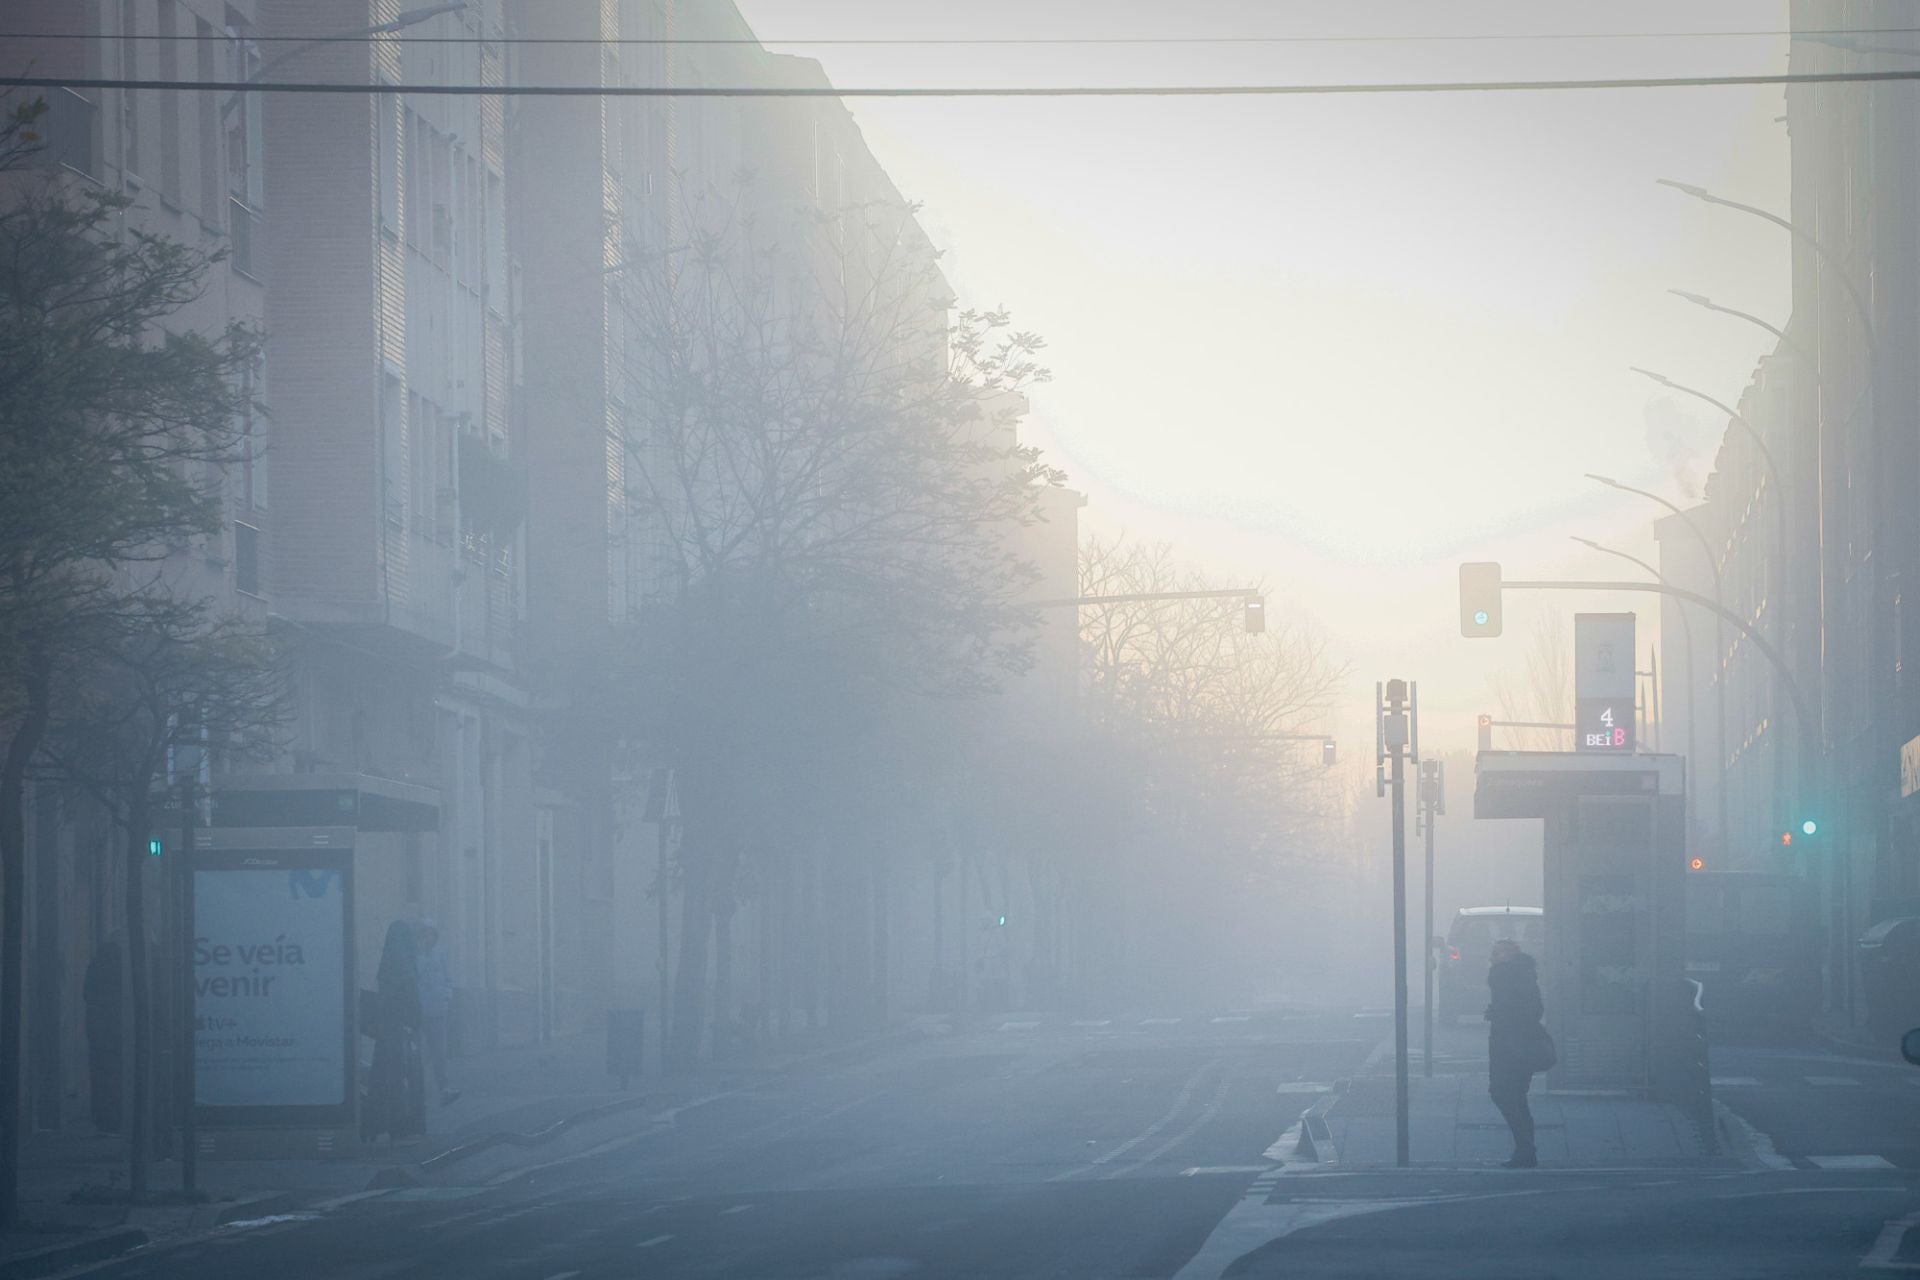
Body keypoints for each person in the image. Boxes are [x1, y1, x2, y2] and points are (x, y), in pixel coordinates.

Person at [1486, 936, 1548, 1168]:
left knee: (1502, 1092)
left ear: (1511, 956)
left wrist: (1501, 1016)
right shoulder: (1525, 974)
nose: (1493, 957)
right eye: (1493, 952)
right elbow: (1533, 1008)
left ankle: (1525, 1147)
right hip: (1522, 1043)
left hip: (1509, 1045)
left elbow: (1514, 1009)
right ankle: (1525, 1149)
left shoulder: (1501, 975)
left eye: (1499, 953)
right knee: (1516, 1095)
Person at [362, 920, 427, 1142]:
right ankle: (402, 1129)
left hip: (386, 1035)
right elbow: (413, 1005)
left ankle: (374, 1126)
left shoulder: (387, 965)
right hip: (403, 1033)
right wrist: (415, 1022)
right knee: (402, 1081)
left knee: (382, 1081)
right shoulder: (407, 969)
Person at [414, 918, 460, 1107]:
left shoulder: (440, 955)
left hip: (438, 1010)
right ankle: (419, 1089)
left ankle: (444, 1088)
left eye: (432, 934)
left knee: (439, 1052)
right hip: (418, 1011)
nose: (429, 938)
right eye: (426, 934)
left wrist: (446, 996)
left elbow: (448, 979)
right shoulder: (414, 955)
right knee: (419, 1052)